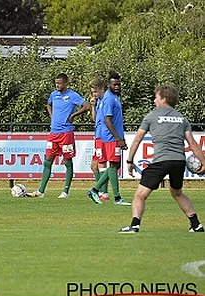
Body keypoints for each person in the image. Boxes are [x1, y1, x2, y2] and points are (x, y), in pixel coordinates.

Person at [120, 85, 205, 233]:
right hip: (179, 161)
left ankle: (134, 225)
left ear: (163, 99)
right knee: (177, 192)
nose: (154, 100)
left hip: (161, 161)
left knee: (140, 195)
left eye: (156, 97)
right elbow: (192, 143)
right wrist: (203, 161)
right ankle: (196, 224)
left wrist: (129, 160)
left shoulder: (151, 116)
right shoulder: (181, 118)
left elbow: (137, 139)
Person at [27, 73, 91, 198]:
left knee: (67, 161)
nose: (57, 85)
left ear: (66, 83)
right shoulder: (53, 94)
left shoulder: (72, 95)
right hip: (53, 133)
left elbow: (87, 105)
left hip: (66, 133)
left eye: (60, 83)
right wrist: (51, 115)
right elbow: (48, 103)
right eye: (56, 83)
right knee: (47, 160)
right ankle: (41, 191)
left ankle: (65, 191)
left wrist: (73, 115)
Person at [87, 72, 131, 205]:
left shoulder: (112, 98)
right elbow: (107, 120)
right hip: (109, 137)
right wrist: (118, 138)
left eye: (118, 84)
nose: (117, 86)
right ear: (108, 85)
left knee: (113, 165)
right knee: (110, 164)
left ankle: (108, 194)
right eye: (114, 84)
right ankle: (99, 191)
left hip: (110, 136)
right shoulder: (109, 99)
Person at [89, 78, 109, 201]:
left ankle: (104, 193)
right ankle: (100, 190)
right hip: (98, 136)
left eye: (95, 91)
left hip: (104, 136)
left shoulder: (107, 100)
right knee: (94, 166)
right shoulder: (99, 102)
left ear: (102, 89)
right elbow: (94, 119)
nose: (94, 94)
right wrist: (92, 106)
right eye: (92, 92)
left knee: (102, 164)